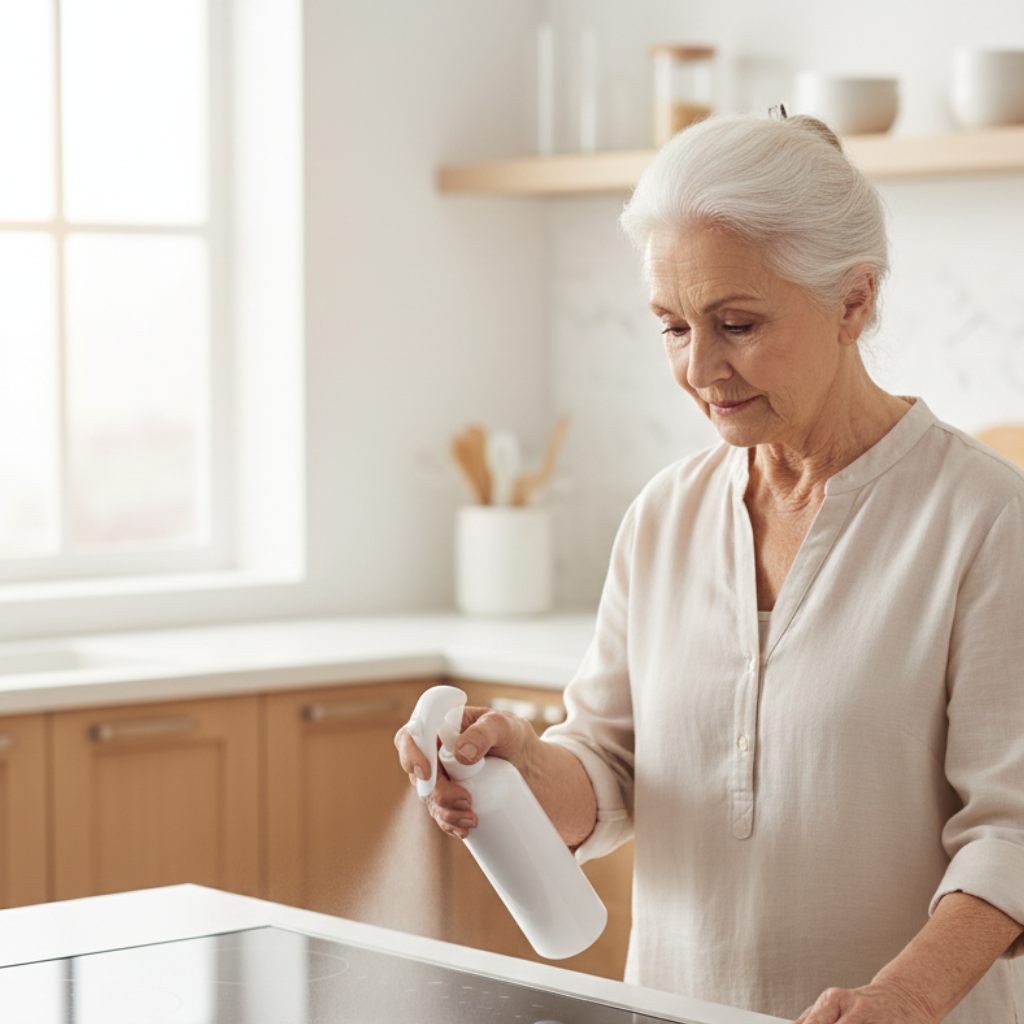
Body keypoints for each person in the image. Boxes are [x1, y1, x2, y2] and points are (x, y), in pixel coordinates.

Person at [396, 110, 1024, 1023]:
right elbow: (608, 767)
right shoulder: (665, 515)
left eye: (736, 323)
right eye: (672, 327)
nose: (700, 368)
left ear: (854, 301)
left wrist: (903, 998)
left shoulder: (986, 519)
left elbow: (1013, 829)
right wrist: (522, 769)